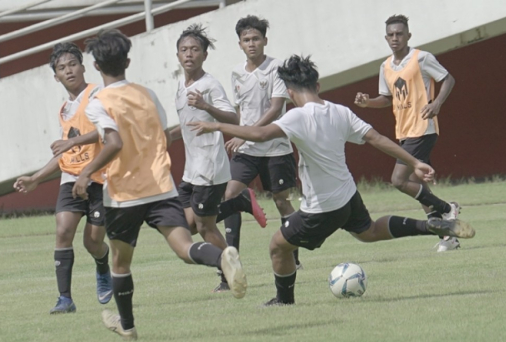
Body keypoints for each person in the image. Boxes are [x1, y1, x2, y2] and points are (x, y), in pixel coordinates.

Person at [188, 55, 475, 306]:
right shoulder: (341, 111)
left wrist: (216, 125)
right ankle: (431, 224)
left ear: (289, 92)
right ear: (318, 85)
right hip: (348, 195)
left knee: (278, 245)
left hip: (322, 207)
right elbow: (377, 138)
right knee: (369, 231)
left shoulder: (298, 116)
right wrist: (414, 161)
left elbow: (261, 135)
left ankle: (284, 301)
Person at [72, 29, 247, 341]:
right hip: (161, 186)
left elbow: (113, 142)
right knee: (184, 247)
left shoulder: (98, 101)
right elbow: (165, 137)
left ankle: (127, 327)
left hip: (124, 194)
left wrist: (86, 173)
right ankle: (221, 257)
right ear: (127, 60)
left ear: (96, 67)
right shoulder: (146, 93)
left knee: (120, 261)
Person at [13, 42, 112, 314]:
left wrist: (73, 143)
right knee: (62, 230)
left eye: (72, 64)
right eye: (61, 67)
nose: (68, 70)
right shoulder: (64, 110)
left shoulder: (97, 94)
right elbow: (67, 153)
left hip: (101, 178)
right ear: (55, 76)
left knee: (92, 242)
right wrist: (36, 178)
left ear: (83, 67)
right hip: (71, 178)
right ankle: (65, 299)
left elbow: (108, 132)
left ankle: (103, 266)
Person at [170, 24, 267, 292]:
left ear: (204, 55)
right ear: (177, 55)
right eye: (184, 50)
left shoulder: (210, 85)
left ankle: (229, 274)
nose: (189, 54)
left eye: (195, 50)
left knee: (204, 227)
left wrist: (206, 106)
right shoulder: (180, 83)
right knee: (182, 227)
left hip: (209, 168)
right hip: (191, 169)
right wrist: (167, 135)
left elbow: (234, 118)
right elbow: (188, 121)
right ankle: (238, 202)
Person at [354, 14, 460, 252]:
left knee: (398, 180)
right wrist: (367, 103)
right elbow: (387, 99)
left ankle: (445, 208)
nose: (395, 38)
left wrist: (437, 104)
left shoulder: (421, 58)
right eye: (391, 35)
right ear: (386, 37)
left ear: (408, 35)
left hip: (422, 128)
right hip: (404, 131)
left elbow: (448, 79)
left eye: (399, 34)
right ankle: (448, 236)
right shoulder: (386, 66)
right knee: (417, 183)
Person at [221, 16, 301, 285]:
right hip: (247, 150)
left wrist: (246, 136)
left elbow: (276, 108)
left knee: (281, 201)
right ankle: (232, 261)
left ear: (265, 41)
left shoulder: (277, 67)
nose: (251, 43)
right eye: (246, 40)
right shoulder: (236, 73)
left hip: (276, 147)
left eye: (256, 38)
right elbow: (241, 110)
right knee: (229, 194)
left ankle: (293, 254)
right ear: (240, 44)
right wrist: (240, 135)